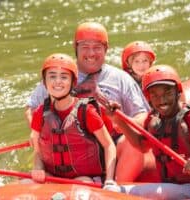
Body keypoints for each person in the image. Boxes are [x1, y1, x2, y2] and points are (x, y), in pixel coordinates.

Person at [25, 22, 150, 182]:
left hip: (108, 141)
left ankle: (116, 185)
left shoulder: (120, 79)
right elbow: (32, 108)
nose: (91, 53)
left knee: (131, 142)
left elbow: (143, 116)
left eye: (97, 47)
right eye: (85, 46)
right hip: (69, 145)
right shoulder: (60, 75)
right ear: (75, 47)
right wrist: (37, 132)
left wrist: (118, 122)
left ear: (106, 48)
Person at [104, 65, 190, 199]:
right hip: (171, 187)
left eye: (167, 93)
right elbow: (141, 146)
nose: (161, 100)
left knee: (117, 191)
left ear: (178, 91)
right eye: (155, 95)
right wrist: (117, 120)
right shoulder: (154, 119)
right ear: (148, 98)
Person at [30, 53, 116, 186]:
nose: (57, 81)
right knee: (27, 183)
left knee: (81, 184)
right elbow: (38, 151)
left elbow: (108, 145)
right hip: (53, 177)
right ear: (44, 82)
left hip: (85, 178)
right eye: (52, 76)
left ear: (73, 82)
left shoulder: (86, 112)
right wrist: (38, 168)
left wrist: (110, 180)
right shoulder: (39, 113)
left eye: (64, 77)